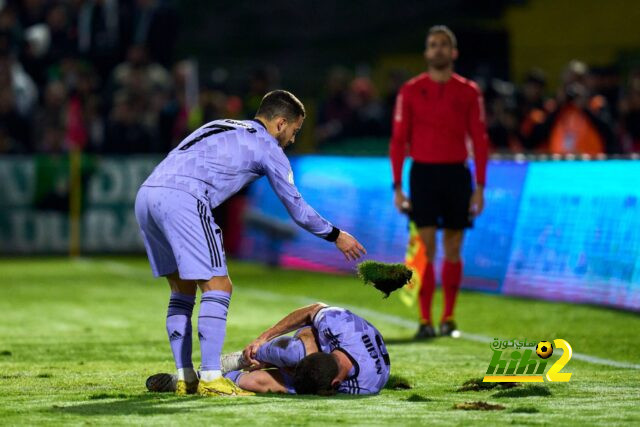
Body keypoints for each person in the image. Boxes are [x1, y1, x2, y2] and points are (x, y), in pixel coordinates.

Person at [135, 90, 366, 397]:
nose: (293, 140)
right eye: (295, 132)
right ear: (281, 124)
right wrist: (336, 235)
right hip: (185, 198)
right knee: (219, 287)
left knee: (182, 291)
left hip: (148, 194)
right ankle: (212, 378)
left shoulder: (222, 124)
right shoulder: (268, 148)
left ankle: (185, 376)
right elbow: (297, 208)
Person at [389, 26, 489, 339]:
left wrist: (480, 187)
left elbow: (480, 139)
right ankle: (424, 320)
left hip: (457, 175)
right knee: (426, 247)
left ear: (454, 52)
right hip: (423, 175)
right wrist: (397, 186)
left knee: (454, 247)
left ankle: (448, 317)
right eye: (433, 45)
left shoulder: (469, 91)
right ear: (426, 53)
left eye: (444, 45)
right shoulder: (410, 90)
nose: (438, 50)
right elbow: (398, 141)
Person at [146, 302, 390, 395]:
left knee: (257, 383)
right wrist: (264, 337)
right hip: (314, 341)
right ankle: (242, 360)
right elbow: (310, 310)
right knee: (291, 352)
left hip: (326, 369)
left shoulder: (364, 385)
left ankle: (197, 379)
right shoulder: (339, 325)